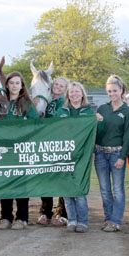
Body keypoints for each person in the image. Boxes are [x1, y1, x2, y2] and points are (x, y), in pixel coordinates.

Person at [0, 71, 40, 230]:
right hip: (4, 150)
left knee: (21, 185)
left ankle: (22, 218)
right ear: (7, 85)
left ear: (22, 85)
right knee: (5, 183)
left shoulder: (27, 104)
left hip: (21, 150)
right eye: (11, 83)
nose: (14, 86)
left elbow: (35, 126)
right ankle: (5, 217)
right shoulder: (1, 103)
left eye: (17, 83)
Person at [95, 74, 129, 232]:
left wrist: (122, 157)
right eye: (109, 91)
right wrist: (97, 122)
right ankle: (108, 218)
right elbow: (97, 134)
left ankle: (116, 220)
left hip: (116, 153)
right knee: (105, 189)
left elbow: (128, 136)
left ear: (122, 90)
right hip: (100, 153)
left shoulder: (127, 111)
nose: (112, 94)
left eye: (115, 91)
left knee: (118, 189)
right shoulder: (103, 109)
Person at [56, 81, 94, 232]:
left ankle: (83, 221)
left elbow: (95, 133)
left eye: (77, 92)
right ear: (67, 95)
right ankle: (71, 220)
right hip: (65, 155)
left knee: (79, 189)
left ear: (82, 94)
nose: (74, 95)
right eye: (71, 92)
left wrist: (98, 121)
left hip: (82, 156)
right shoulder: (61, 111)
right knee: (67, 189)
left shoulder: (89, 112)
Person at [38, 76, 69, 226]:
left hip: (59, 144)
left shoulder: (64, 102)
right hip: (45, 144)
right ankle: (45, 211)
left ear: (65, 89)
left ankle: (62, 212)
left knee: (61, 177)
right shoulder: (46, 99)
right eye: (56, 84)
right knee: (45, 177)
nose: (57, 87)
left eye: (61, 86)